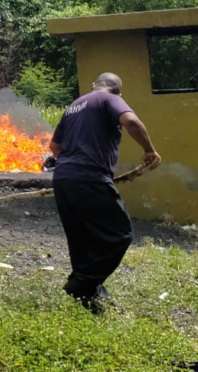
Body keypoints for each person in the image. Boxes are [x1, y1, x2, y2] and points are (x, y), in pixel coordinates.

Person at [49, 72, 161, 312]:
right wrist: (149, 150)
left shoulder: (74, 106)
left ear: (94, 85)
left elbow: (54, 146)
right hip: (90, 178)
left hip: (63, 178)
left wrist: (71, 166)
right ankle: (80, 284)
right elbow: (132, 122)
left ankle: (89, 297)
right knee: (120, 233)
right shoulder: (109, 99)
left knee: (82, 238)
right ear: (118, 92)